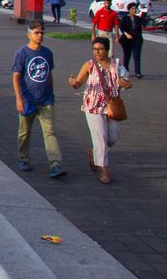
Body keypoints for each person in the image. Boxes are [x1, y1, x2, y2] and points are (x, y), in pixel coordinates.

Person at [68, 37, 131, 185]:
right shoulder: (89, 65)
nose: (97, 52)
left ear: (107, 50)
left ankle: (95, 153)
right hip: (93, 106)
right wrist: (73, 82)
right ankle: (104, 171)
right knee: (101, 138)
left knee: (113, 136)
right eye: (94, 49)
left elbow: (127, 82)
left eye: (100, 49)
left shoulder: (117, 65)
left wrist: (126, 84)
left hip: (111, 106)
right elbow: (78, 84)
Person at [12, 21, 65, 178]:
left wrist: (52, 94)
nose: (40, 35)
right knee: (24, 133)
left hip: (46, 101)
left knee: (50, 133)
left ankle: (55, 164)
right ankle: (24, 158)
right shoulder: (22, 53)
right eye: (36, 32)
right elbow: (15, 76)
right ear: (29, 35)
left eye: (42, 32)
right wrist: (19, 99)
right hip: (28, 100)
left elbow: (49, 74)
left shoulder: (47, 53)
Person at [118, 2, 145, 78]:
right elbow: (122, 28)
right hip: (126, 40)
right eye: (132, 9)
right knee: (127, 55)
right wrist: (127, 34)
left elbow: (141, 27)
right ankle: (126, 71)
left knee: (137, 55)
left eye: (135, 9)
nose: (134, 10)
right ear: (129, 10)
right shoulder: (125, 18)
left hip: (137, 40)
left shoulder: (138, 19)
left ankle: (138, 72)